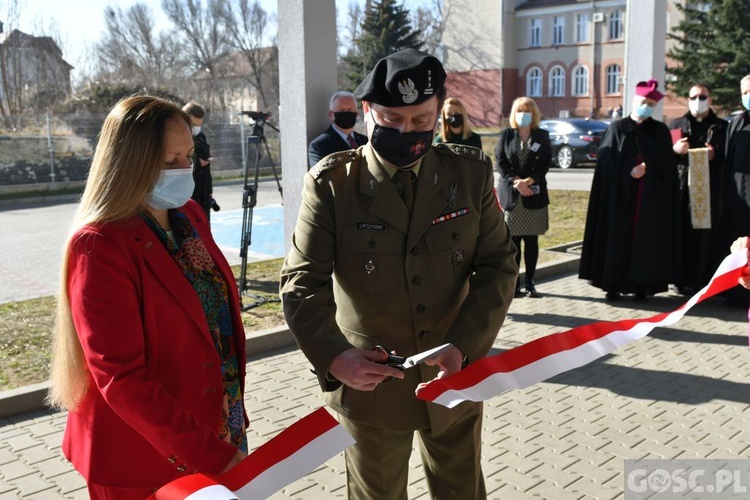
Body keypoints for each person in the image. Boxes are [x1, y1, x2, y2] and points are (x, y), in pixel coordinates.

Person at [280, 48, 518, 499]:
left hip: (451, 374)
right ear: (367, 112)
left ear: (437, 114)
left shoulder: (467, 175)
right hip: (370, 385)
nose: (406, 132)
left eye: (420, 120)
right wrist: (334, 357)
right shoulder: (333, 185)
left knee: (461, 490)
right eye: (391, 120)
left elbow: (498, 265)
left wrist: (465, 346)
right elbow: (300, 284)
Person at [47, 95, 248, 498]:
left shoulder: (188, 214)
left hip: (217, 427)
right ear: (129, 163)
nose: (183, 170)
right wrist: (211, 454)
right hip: (145, 457)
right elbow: (121, 379)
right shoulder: (100, 245)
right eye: (169, 160)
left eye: (187, 156)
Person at [579, 79, 682, 301]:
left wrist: (648, 167)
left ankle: (642, 285)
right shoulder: (617, 128)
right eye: (643, 102)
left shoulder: (659, 130)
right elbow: (606, 165)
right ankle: (613, 283)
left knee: (645, 242)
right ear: (634, 101)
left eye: (650, 104)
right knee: (617, 239)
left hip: (649, 200)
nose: (646, 106)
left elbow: (667, 166)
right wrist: (628, 170)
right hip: (620, 199)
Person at [668, 84, 727, 293]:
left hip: (709, 194)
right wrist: (674, 151)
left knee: (705, 239)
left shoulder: (721, 127)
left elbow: (728, 160)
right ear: (688, 99)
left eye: (703, 97)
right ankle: (680, 280)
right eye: (693, 97)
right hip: (683, 192)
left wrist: (716, 155)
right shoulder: (677, 125)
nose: (698, 100)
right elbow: (663, 160)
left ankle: (703, 280)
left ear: (710, 100)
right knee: (681, 235)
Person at [495, 96, 551, 298]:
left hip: (533, 195)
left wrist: (528, 182)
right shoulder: (507, 134)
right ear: (514, 114)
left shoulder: (542, 136)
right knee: (513, 244)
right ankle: (514, 284)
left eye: (527, 111)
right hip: (512, 195)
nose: (523, 115)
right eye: (520, 111)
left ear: (534, 115)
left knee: (532, 241)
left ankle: (530, 283)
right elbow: (500, 161)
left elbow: (545, 163)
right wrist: (516, 181)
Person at [714, 75, 750, 306]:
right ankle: (735, 293)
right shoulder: (735, 123)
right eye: (745, 92)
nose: (748, 96)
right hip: (737, 197)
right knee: (737, 243)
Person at [308, 90, 368, 167]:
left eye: (350, 110)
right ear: (331, 115)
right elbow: (322, 176)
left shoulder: (365, 141)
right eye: (341, 110)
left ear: (356, 114)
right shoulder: (319, 146)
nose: (346, 113)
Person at [183, 101, 215, 221]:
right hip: (189, 194)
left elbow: (206, 169)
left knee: (205, 227)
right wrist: (198, 163)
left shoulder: (201, 137)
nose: (196, 128)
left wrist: (209, 191)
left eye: (199, 125)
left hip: (203, 193)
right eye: (193, 124)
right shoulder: (178, 140)